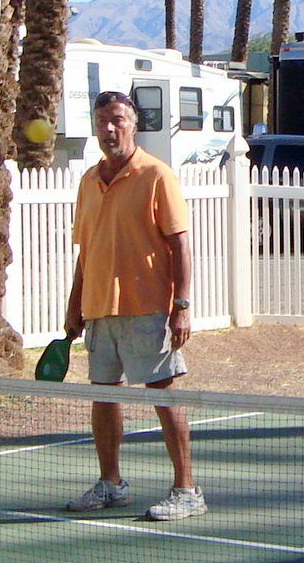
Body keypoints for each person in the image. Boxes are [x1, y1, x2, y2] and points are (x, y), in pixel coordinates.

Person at [64, 91, 207, 521]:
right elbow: (85, 250)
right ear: (95, 125)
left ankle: (186, 490)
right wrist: (75, 306)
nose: (110, 129)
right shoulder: (89, 180)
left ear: (133, 124)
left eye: (119, 120)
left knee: (165, 397)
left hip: (148, 307)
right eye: (103, 120)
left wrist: (180, 306)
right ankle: (111, 484)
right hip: (99, 311)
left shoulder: (156, 175)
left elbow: (180, 245)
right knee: (103, 399)